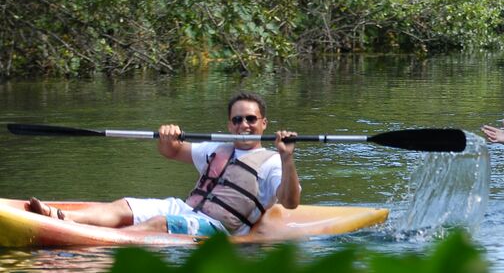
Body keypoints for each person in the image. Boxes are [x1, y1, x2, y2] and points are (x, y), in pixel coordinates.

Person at [26, 92, 301, 236]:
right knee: (124, 206)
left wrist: (287, 158)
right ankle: (63, 219)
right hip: (186, 209)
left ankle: (101, 243)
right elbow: (172, 152)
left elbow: (290, 202)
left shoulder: (273, 162)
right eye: (237, 119)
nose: (244, 125)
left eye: (251, 119)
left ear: (263, 123)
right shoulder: (217, 148)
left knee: (159, 222)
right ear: (228, 123)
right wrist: (168, 137)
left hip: (218, 230)